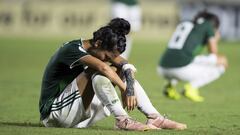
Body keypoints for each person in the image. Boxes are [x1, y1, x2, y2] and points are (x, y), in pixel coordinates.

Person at [39, 18, 187, 131]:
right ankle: (122, 120)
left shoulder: (99, 48)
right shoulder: (72, 49)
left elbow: (125, 65)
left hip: (79, 114)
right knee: (97, 71)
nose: (109, 59)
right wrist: (124, 89)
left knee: (118, 71)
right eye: (107, 56)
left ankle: (154, 118)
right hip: (55, 114)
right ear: (97, 43)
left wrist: (129, 88)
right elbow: (103, 68)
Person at [158, 11, 228, 102]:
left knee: (185, 57)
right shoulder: (207, 25)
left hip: (162, 67)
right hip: (180, 69)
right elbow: (213, 52)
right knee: (222, 63)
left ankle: (169, 86)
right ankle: (191, 88)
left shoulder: (185, 23)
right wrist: (215, 38)